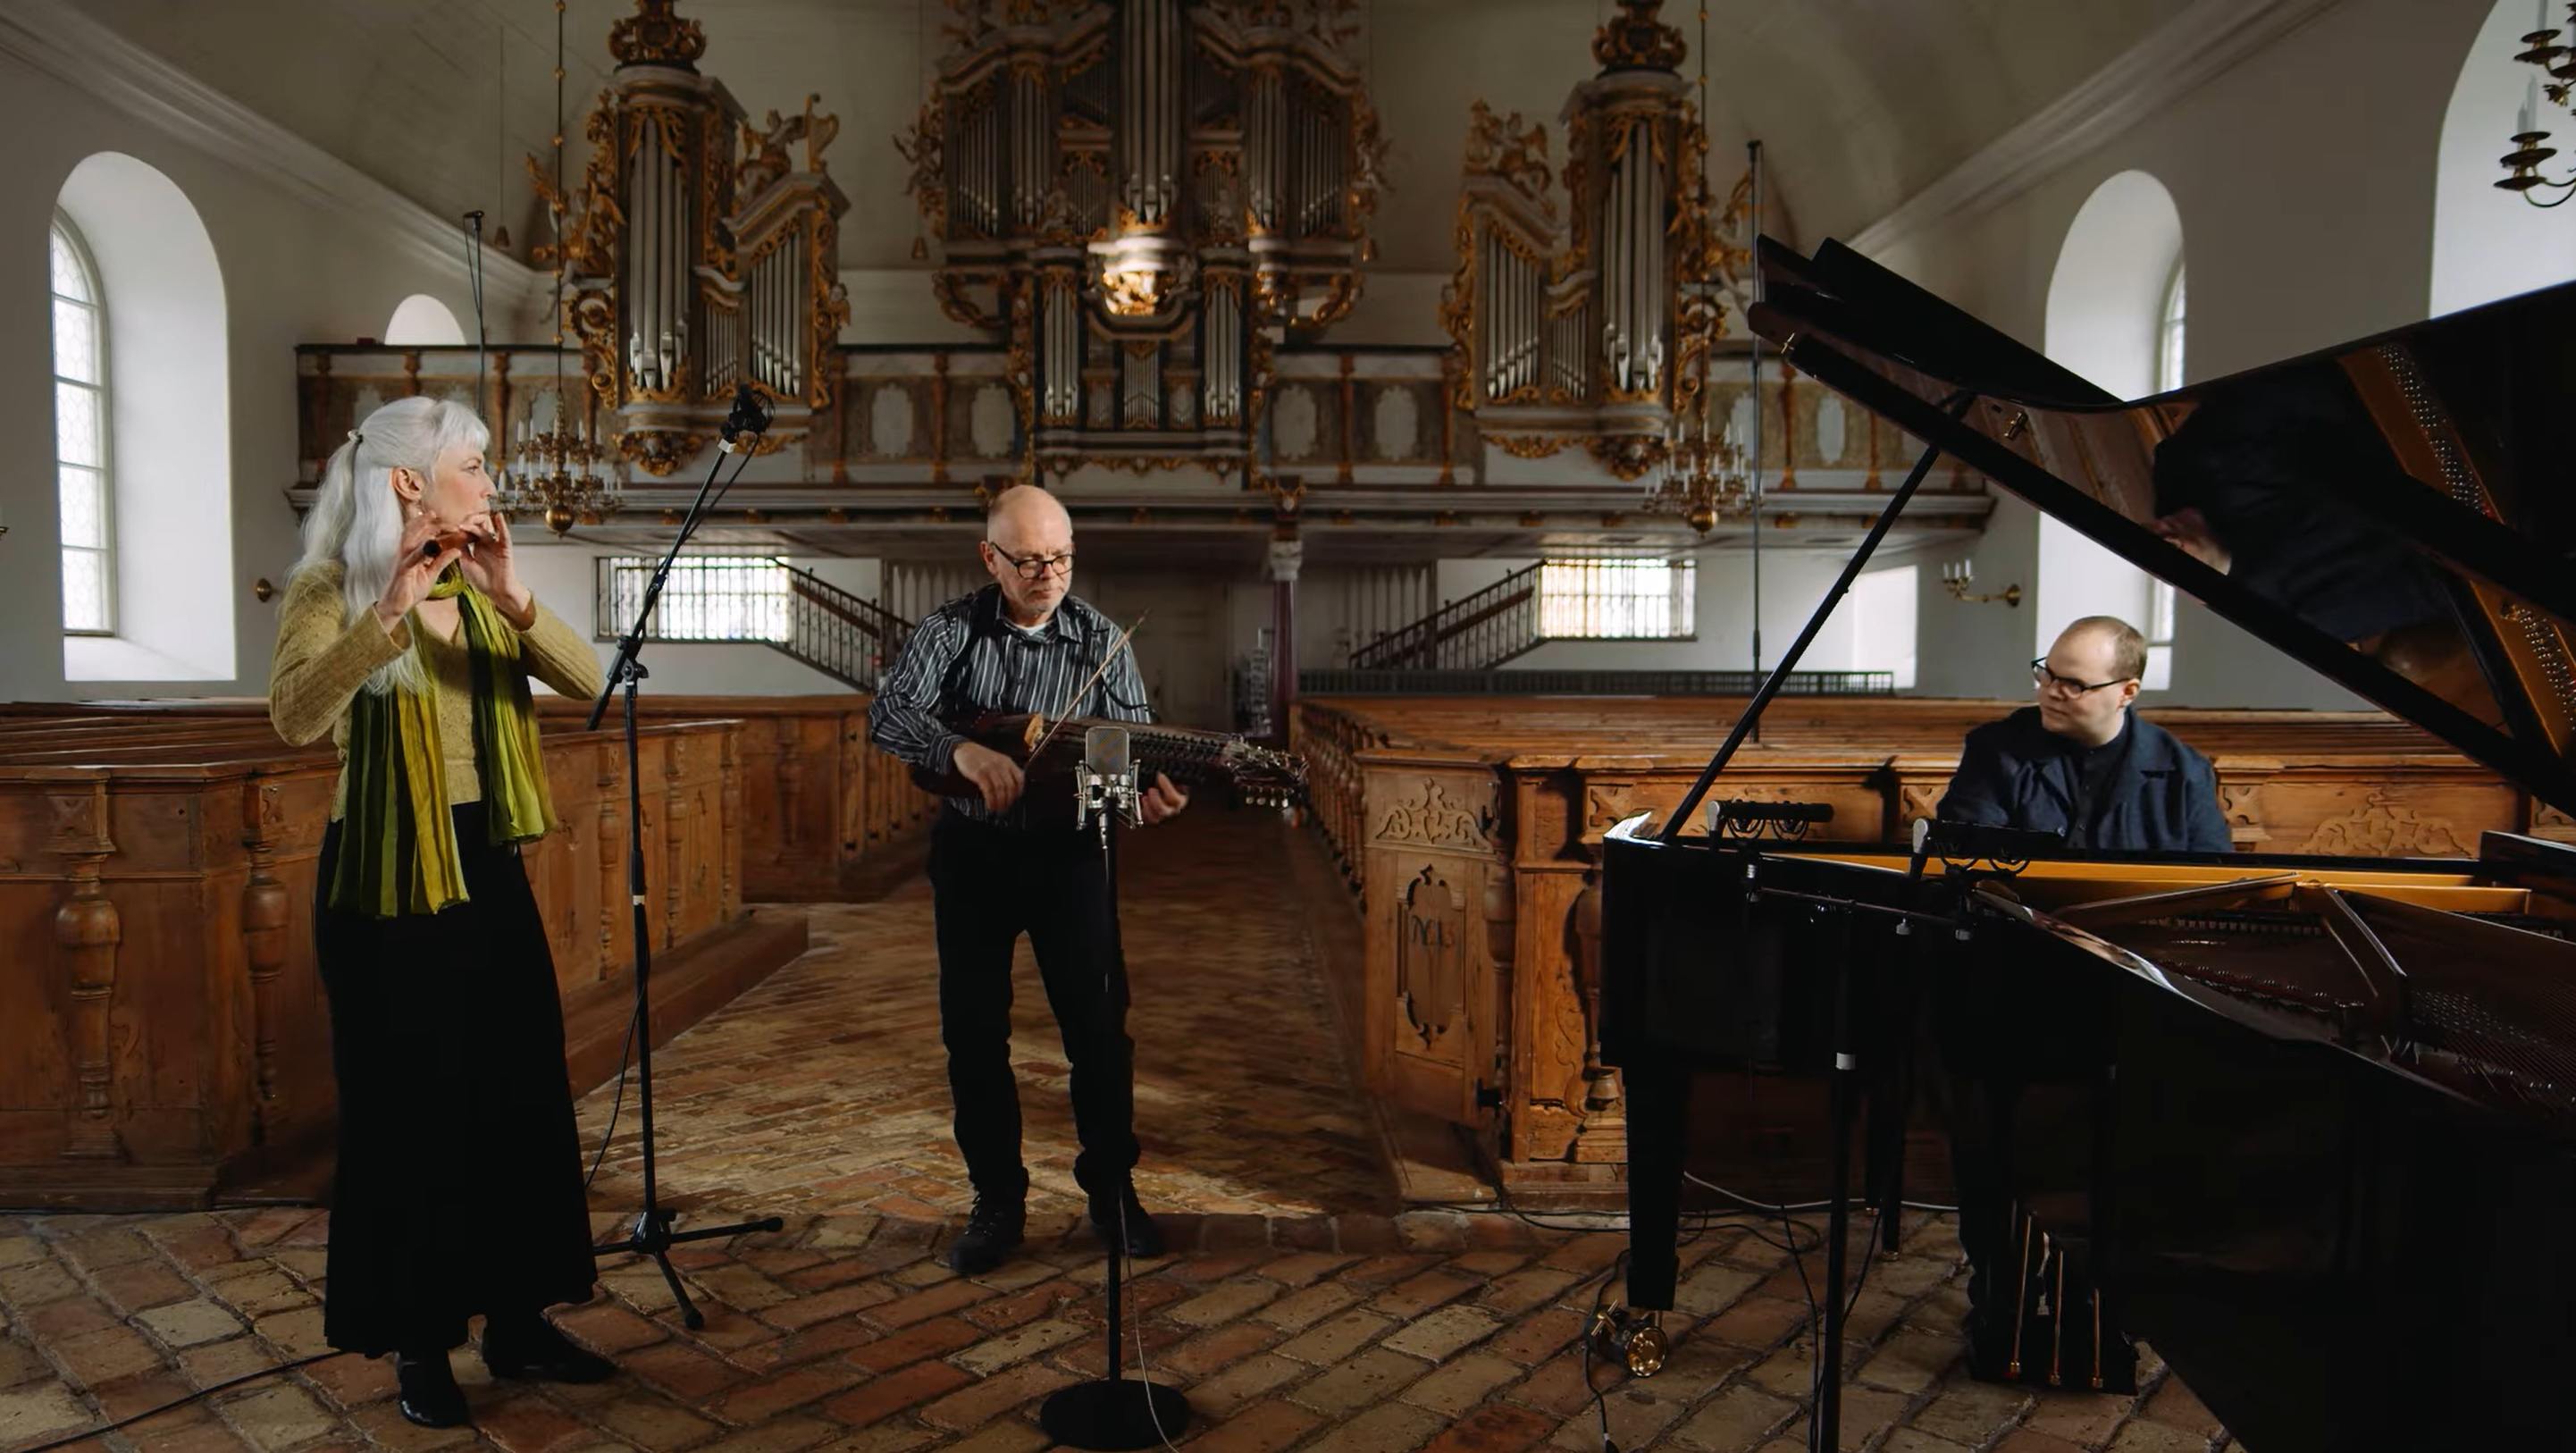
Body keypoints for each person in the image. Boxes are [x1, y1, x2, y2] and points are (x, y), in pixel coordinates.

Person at [269, 396, 613, 1430]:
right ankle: (422, 1342)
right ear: (410, 482)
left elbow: (593, 683)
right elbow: (293, 715)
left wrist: (511, 597)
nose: (492, 482)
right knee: (411, 1116)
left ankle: (517, 1322)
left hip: (485, 866)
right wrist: (385, 615)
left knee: (516, 1097)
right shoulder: (333, 587)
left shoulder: (479, 589)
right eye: (475, 463)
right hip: (385, 880)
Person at [868, 484, 1189, 1274]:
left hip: (1073, 855)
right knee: (974, 1035)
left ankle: (1112, 1191)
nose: (1047, 574)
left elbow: (1123, 749)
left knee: (1098, 1032)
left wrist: (1140, 800)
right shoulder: (950, 631)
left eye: (1060, 558)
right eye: (1029, 560)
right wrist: (959, 751)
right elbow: (888, 714)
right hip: (974, 854)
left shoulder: (1102, 640)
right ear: (990, 557)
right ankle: (997, 1201)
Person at [1938, 615, 2229, 852]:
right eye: (2047, 674)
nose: (2049, 692)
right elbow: (1962, 853)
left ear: (2127, 692)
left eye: (2073, 684)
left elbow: (2211, 878)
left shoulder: (2185, 771)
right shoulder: (1995, 747)